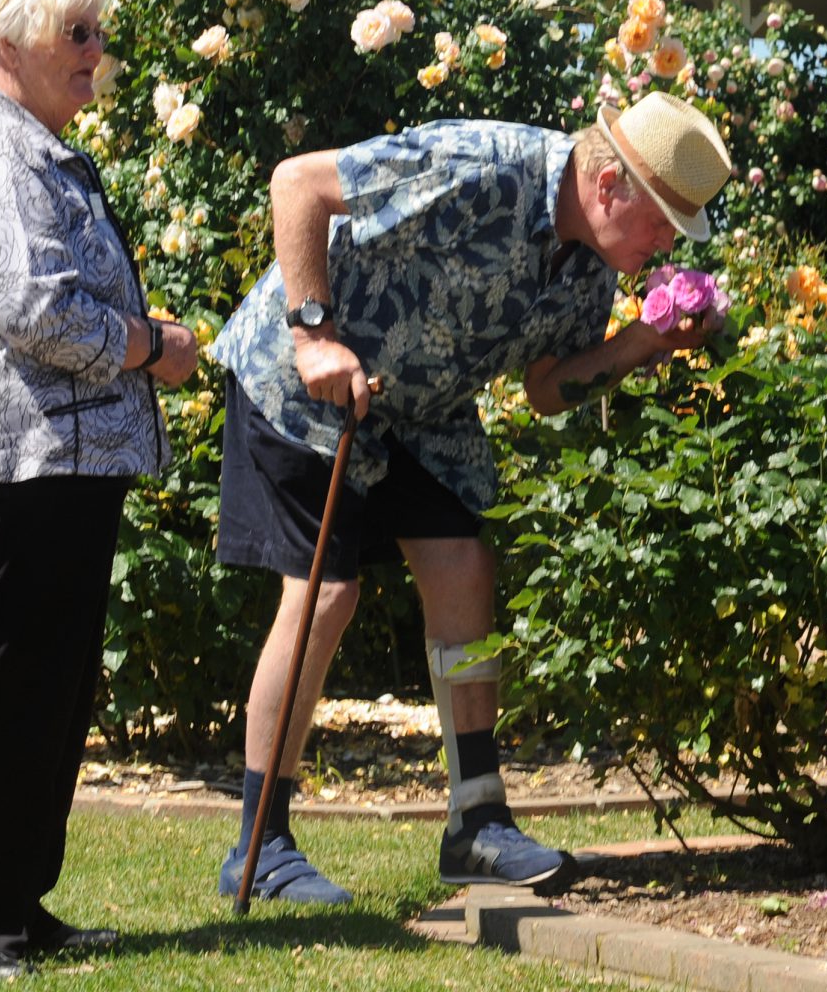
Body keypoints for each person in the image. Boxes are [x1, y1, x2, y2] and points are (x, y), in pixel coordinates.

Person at [209, 90, 734, 904]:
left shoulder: (592, 265)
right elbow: (297, 183)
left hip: (424, 409)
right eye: (664, 222)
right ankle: (260, 843)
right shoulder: (483, 164)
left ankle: (477, 825)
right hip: (305, 383)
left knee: (464, 567)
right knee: (325, 595)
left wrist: (639, 343)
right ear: (609, 187)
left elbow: (547, 389)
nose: (667, 245)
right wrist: (314, 335)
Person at [0, 0, 200, 980]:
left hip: (58, 462)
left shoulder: (32, 145)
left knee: (45, 695)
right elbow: (38, 311)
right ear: (10, 42)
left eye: (97, 33)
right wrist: (152, 345)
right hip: (9, 463)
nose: (96, 52)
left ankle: (13, 906)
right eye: (76, 33)